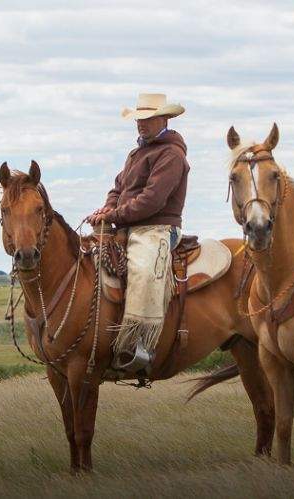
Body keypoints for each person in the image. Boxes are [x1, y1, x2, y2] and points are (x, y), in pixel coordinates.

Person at [87, 93, 189, 375]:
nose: (140, 125)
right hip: (128, 225)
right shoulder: (137, 153)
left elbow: (152, 200)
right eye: (138, 120)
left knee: (144, 271)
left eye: (147, 119)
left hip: (158, 227)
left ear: (164, 119)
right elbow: (118, 187)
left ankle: (139, 343)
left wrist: (113, 216)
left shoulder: (171, 154)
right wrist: (106, 208)